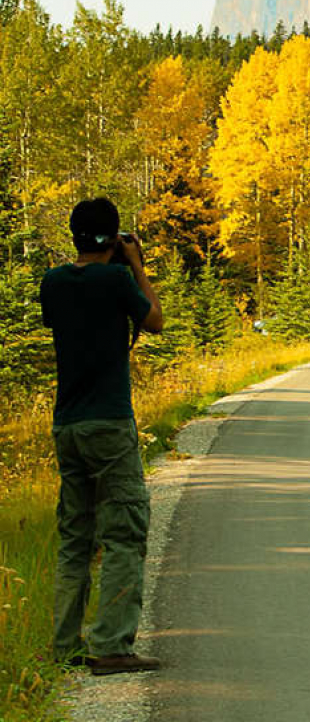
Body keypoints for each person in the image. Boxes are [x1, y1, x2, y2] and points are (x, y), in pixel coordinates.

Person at [40, 197, 164, 675]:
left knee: (75, 537)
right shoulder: (116, 279)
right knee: (123, 534)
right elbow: (153, 320)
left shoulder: (53, 282)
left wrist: (110, 256)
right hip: (109, 422)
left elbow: (72, 317)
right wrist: (134, 264)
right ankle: (111, 645)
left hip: (66, 424)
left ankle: (65, 644)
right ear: (113, 237)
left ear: (74, 235)